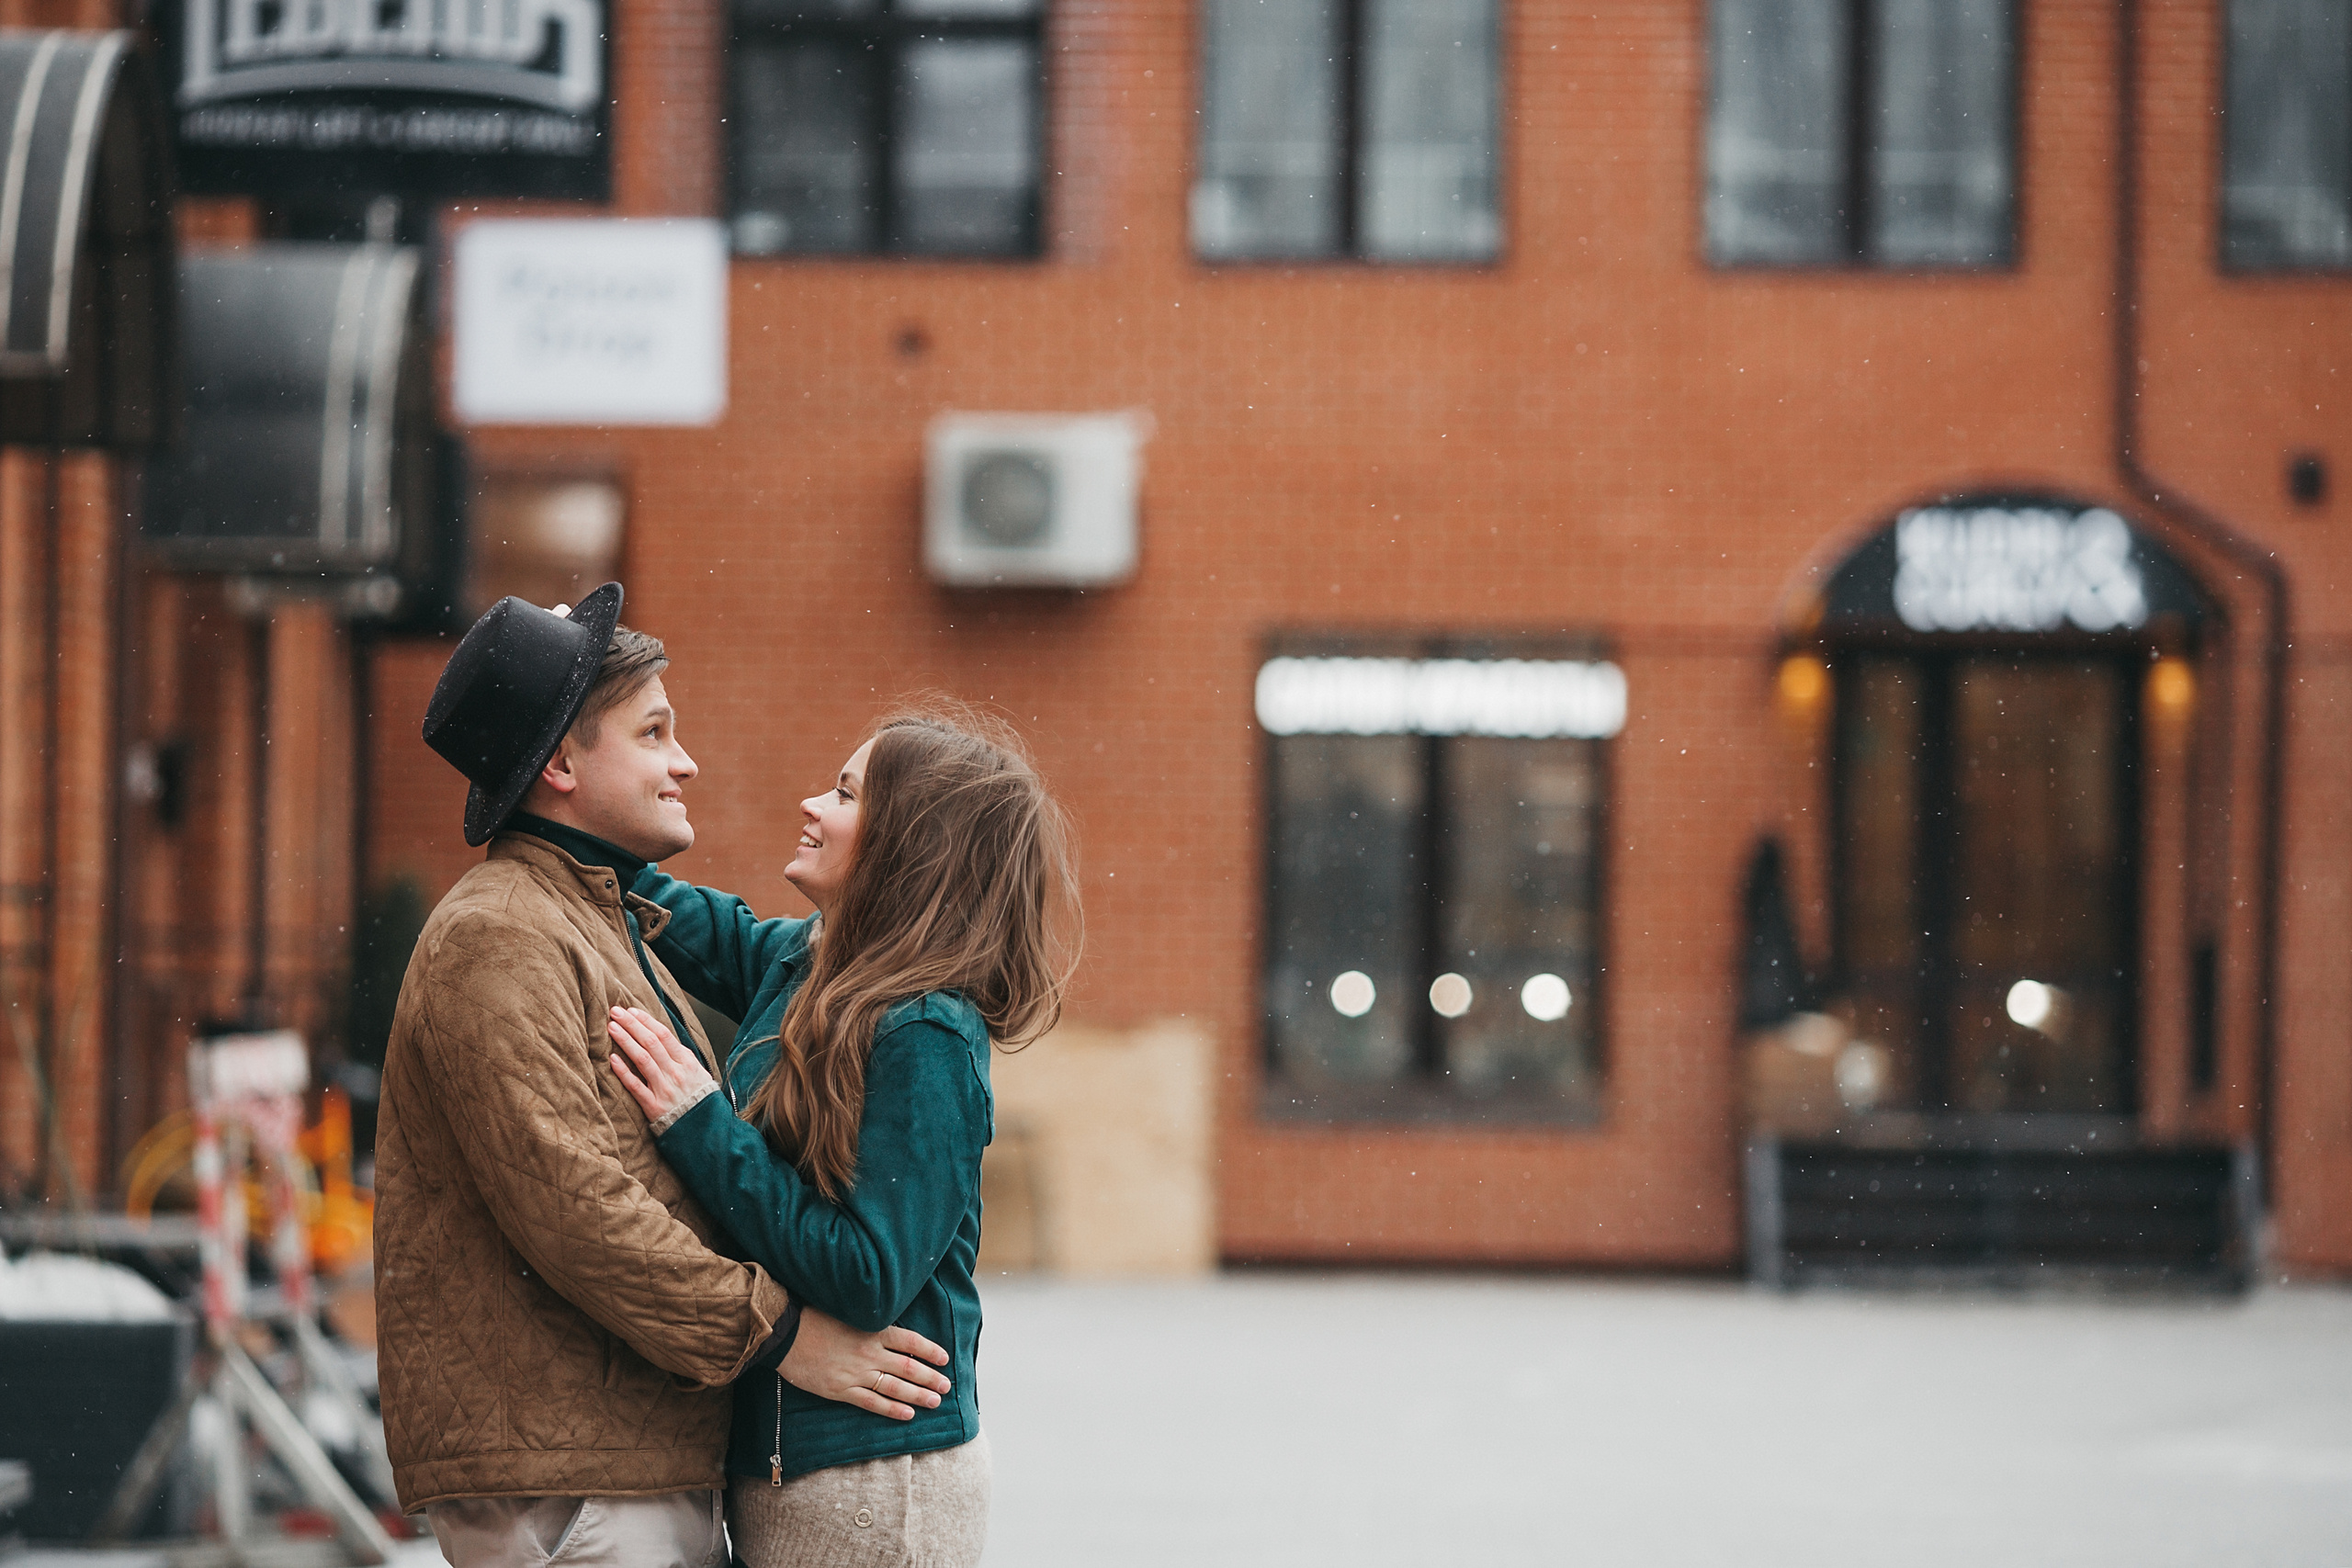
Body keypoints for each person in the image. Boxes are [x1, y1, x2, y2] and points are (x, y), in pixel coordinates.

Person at [377, 587, 953, 1568]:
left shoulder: (589, 916)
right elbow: (578, 1209)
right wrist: (781, 1334)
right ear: (560, 766)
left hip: (617, 1462)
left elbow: (737, 937)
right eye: (653, 733)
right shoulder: (500, 934)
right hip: (576, 1481)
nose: (685, 762)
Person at [601, 704, 1080, 1568]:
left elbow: (868, 1276)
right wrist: (569, 812)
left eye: (847, 793)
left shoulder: (926, 1034)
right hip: (807, 1475)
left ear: (909, 847)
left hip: (874, 1482)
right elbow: (680, 915)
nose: (812, 805)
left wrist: (699, 1122)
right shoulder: (807, 964)